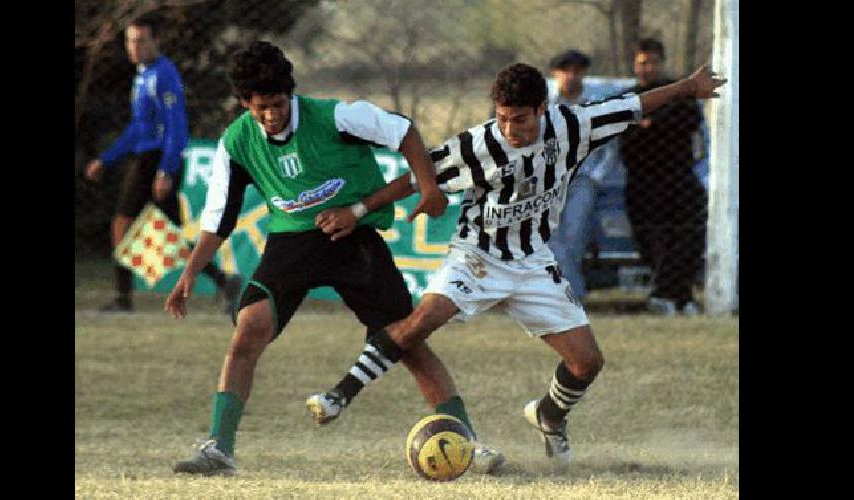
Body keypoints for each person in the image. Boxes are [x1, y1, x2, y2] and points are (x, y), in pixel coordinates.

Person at [306, 62, 725, 464]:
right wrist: (358, 210)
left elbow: (633, 106)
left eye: (520, 119)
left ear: (543, 109)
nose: (511, 129)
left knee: (587, 362)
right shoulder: (478, 144)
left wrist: (689, 87)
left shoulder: (573, 126)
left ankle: (549, 416)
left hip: (532, 260)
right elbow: (417, 176)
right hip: (477, 255)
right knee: (424, 319)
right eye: (503, 118)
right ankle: (339, 394)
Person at [163, 41, 504, 476]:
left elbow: (405, 132)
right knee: (249, 329)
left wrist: (429, 188)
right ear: (245, 103)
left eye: (278, 103)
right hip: (291, 245)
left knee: (407, 342)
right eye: (260, 107)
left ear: (291, 93)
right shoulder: (236, 143)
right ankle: (219, 449)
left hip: (354, 237)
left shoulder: (337, 117)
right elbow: (218, 218)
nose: (271, 115)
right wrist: (190, 274)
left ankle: (469, 444)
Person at [84, 15, 239, 313]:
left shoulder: (163, 74)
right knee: (170, 236)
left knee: (122, 224)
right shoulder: (142, 75)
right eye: (130, 40)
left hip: (156, 160)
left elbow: (176, 126)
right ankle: (223, 281)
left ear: (156, 41)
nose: (135, 47)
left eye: (142, 40)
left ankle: (123, 299)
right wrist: (107, 158)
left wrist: (166, 169)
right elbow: (138, 127)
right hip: (146, 158)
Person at [620, 38, 709, 316]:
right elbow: (627, 138)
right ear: (635, 65)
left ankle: (671, 295)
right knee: (653, 239)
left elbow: (688, 120)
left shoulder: (678, 93)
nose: (648, 68)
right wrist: (654, 125)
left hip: (679, 178)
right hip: (643, 181)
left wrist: (651, 123)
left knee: (689, 234)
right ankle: (675, 296)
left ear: (662, 63)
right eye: (643, 62)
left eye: (653, 62)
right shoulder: (627, 98)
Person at [545, 50, 629, 306]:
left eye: (576, 70)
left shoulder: (595, 105)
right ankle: (571, 294)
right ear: (555, 74)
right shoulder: (544, 105)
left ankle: (567, 293)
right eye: (565, 70)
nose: (571, 76)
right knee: (550, 236)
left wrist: (595, 177)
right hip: (550, 180)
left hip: (582, 179)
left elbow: (611, 148)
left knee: (575, 235)